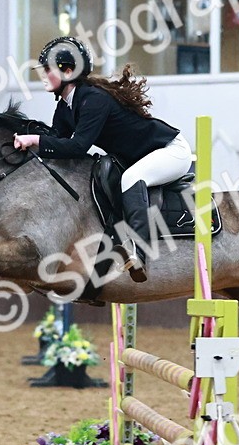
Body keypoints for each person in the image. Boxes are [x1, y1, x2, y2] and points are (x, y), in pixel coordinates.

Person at [12, 36, 192, 282]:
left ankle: (138, 253)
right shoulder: (65, 107)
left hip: (171, 151)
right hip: (141, 155)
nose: (42, 75)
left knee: (131, 177)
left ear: (67, 71)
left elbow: (77, 146)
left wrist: (35, 140)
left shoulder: (93, 99)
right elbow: (56, 142)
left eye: (47, 69)